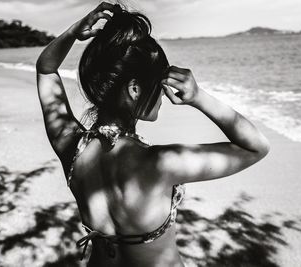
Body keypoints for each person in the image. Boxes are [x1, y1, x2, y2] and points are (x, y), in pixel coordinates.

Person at [36, 2, 270, 267]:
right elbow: (256, 148)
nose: (162, 95)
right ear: (134, 89)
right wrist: (199, 98)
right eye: (158, 85)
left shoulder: (71, 147)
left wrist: (73, 32)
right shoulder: (161, 163)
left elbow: (45, 69)